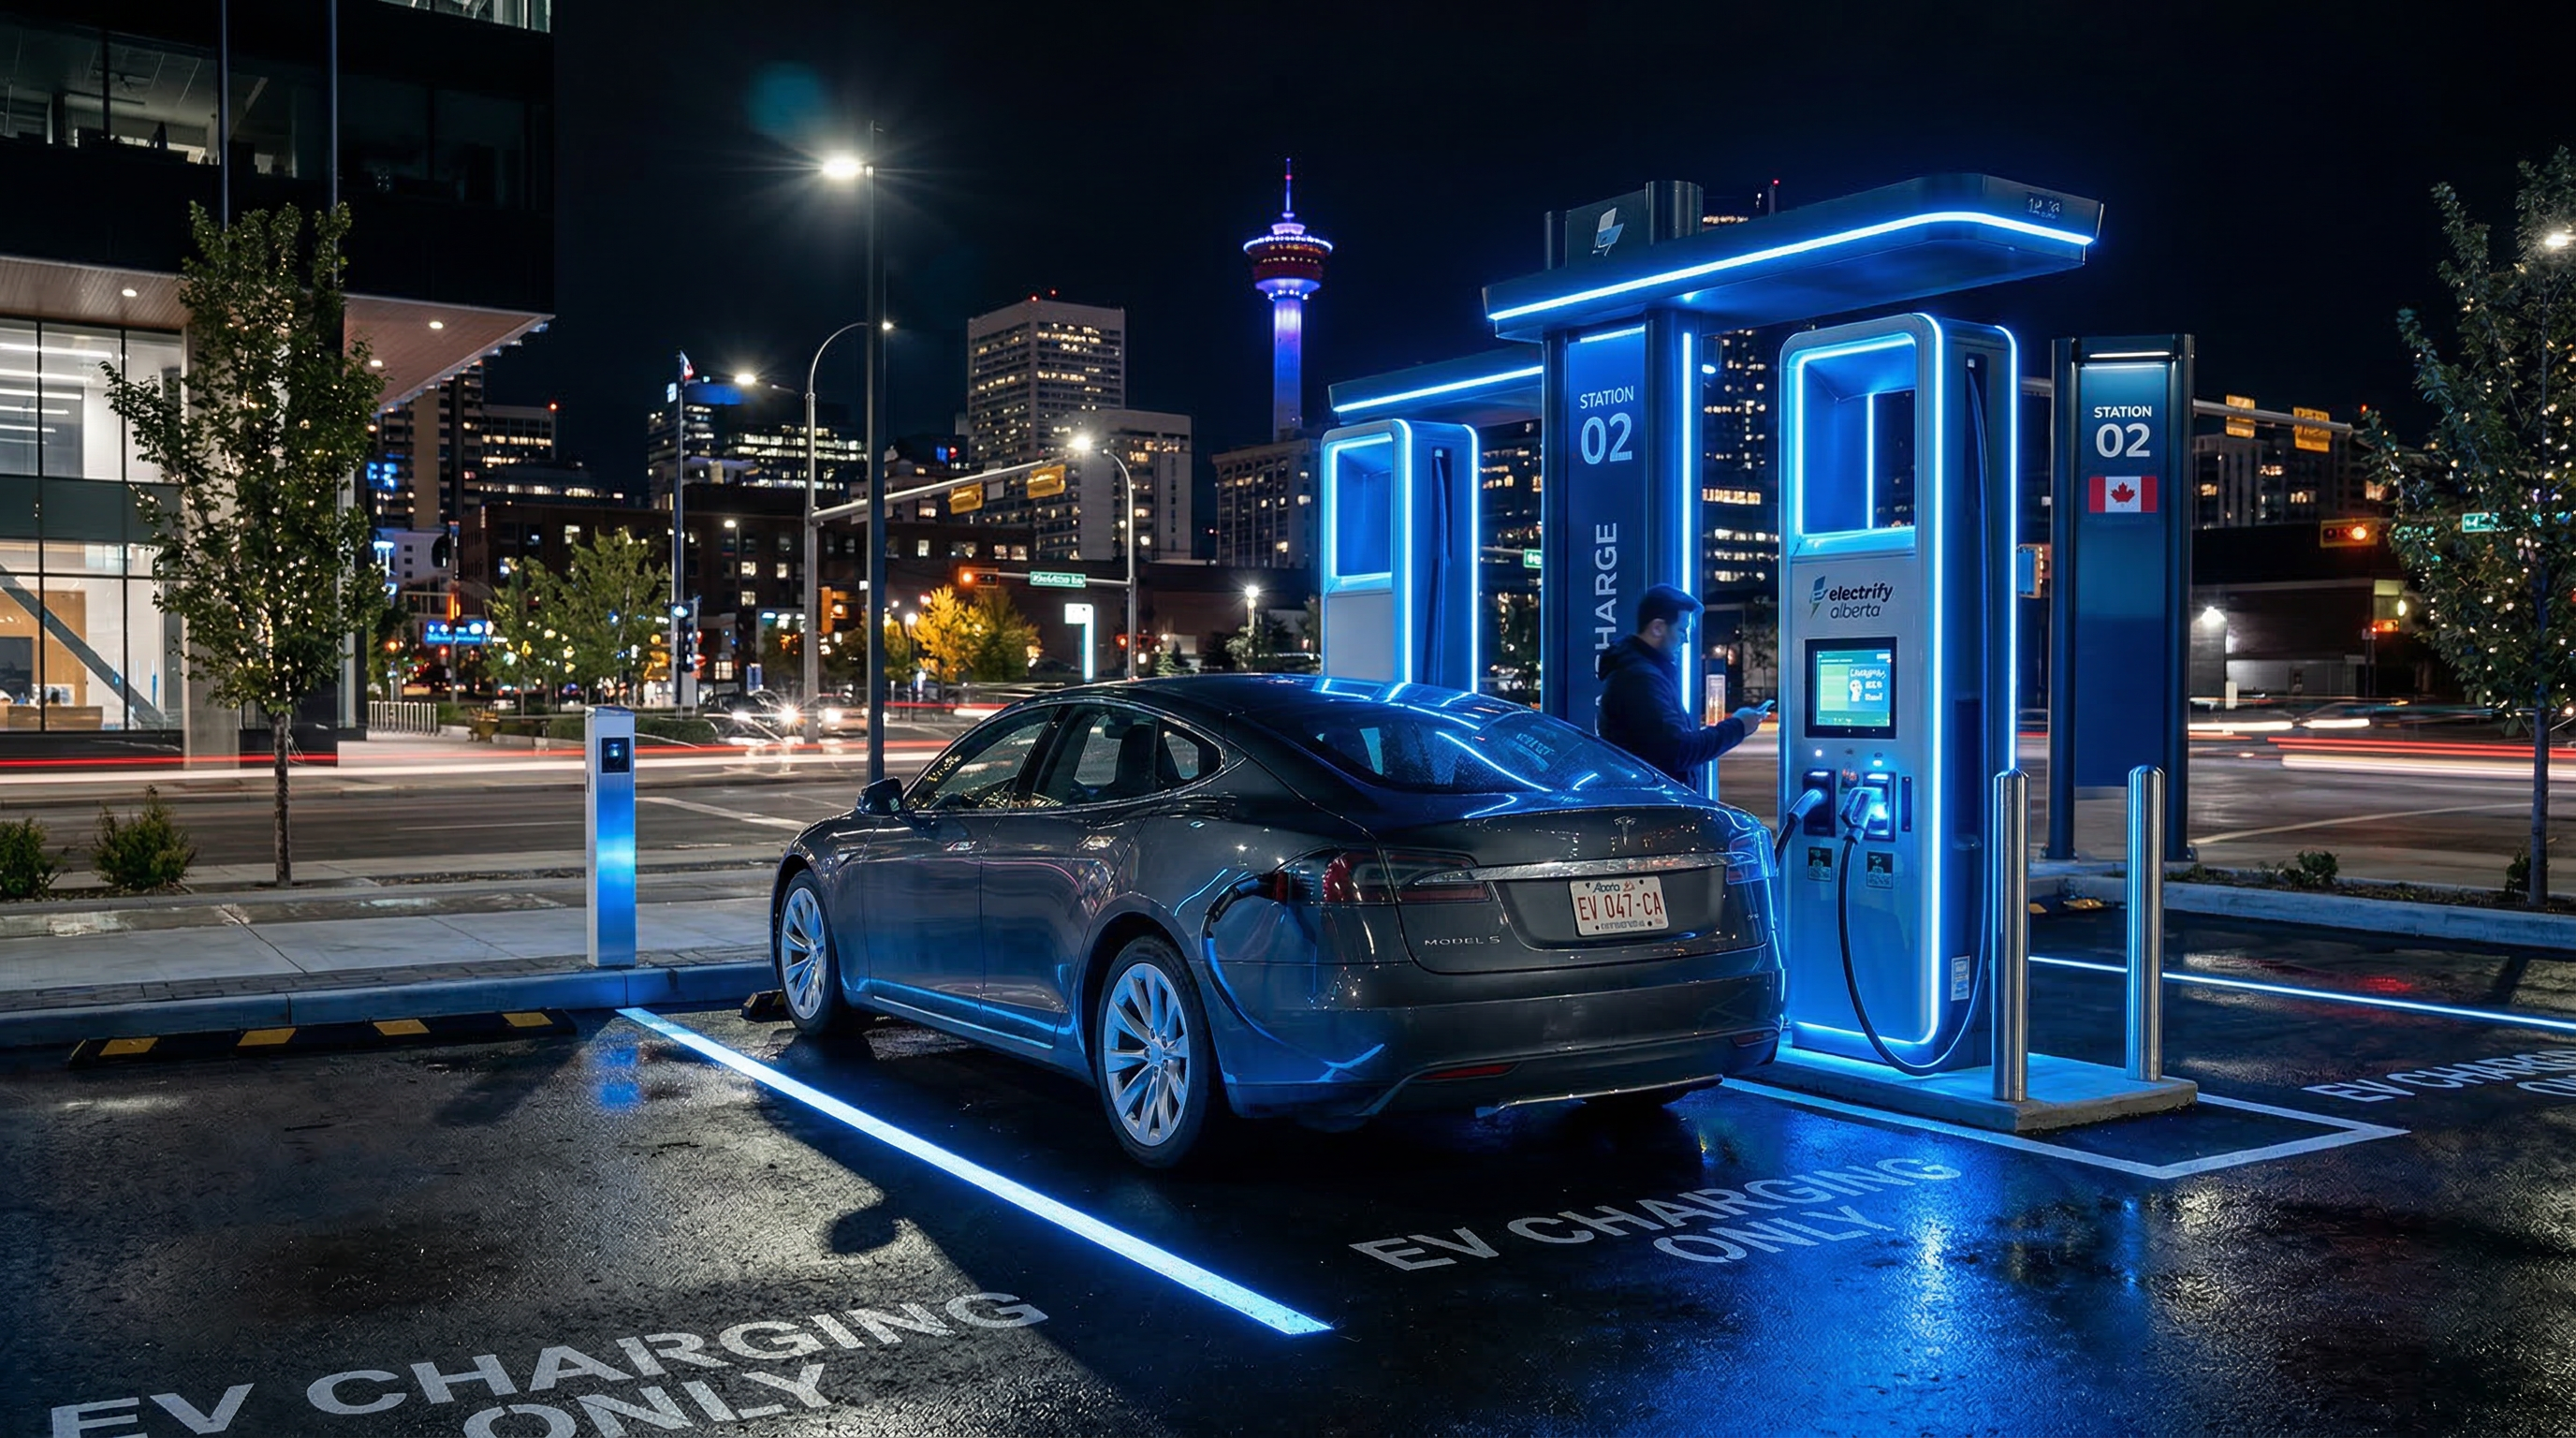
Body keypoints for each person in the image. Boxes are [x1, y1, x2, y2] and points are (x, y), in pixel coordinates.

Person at [1596, 584, 1771, 787]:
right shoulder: (1639, 679)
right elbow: (1678, 751)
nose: (1686, 639)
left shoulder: (1642, 672)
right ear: (1658, 628)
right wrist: (1739, 726)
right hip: (1654, 808)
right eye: (1681, 630)